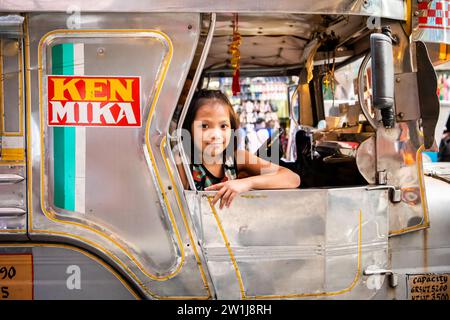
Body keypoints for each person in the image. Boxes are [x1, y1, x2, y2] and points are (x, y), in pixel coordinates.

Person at [179, 89, 300, 209]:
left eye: (223, 126)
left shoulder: (238, 158)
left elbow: (292, 178)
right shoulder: (184, 165)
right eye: (204, 126)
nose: (216, 134)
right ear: (189, 127)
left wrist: (246, 183)